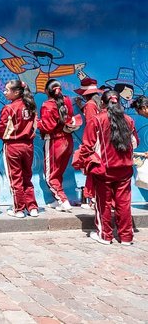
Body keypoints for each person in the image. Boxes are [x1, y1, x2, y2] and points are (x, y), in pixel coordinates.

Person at [73, 90, 138, 245]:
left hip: (104, 170)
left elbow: (87, 146)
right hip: (124, 170)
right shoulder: (129, 120)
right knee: (124, 203)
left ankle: (105, 235)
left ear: (102, 103)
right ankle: (126, 237)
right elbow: (135, 142)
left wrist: (80, 162)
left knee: (103, 203)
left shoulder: (97, 120)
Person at [0, 80, 39, 218]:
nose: (5, 92)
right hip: (28, 146)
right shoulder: (31, 107)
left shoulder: (8, 109)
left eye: (7, 90)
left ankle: (19, 209)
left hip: (13, 146)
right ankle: (32, 207)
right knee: (27, 177)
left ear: (16, 92)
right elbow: (35, 126)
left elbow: (1, 131)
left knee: (15, 178)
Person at [37, 79, 75, 211]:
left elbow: (47, 127)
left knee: (50, 176)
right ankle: (58, 199)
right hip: (68, 140)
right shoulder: (67, 101)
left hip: (54, 142)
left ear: (47, 91)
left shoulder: (47, 105)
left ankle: (63, 200)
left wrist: (36, 121)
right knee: (58, 172)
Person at [74, 77, 103, 209]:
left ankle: (92, 199)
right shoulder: (99, 104)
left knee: (92, 170)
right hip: (103, 143)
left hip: (94, 143)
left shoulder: (90, 105)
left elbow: (92, 124)